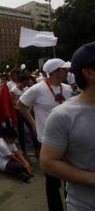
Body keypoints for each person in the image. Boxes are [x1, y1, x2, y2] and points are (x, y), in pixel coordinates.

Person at [40, 41, 95, 211]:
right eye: (61, 70)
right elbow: (48, 162)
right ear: (89, 73)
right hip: (85, 205)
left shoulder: (67, 88)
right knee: (52, 187)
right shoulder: (62, 115)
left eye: (65, 70)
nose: (64, 72)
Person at [16, 58, 72, 211]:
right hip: (48, 141)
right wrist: (34, 124)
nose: (67, 72)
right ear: (55, 72)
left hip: (68, 139)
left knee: (69, 179)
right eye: (64, 69)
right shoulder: (37, 88)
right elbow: (20, 105)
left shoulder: (67, 89)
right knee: (52, 182)